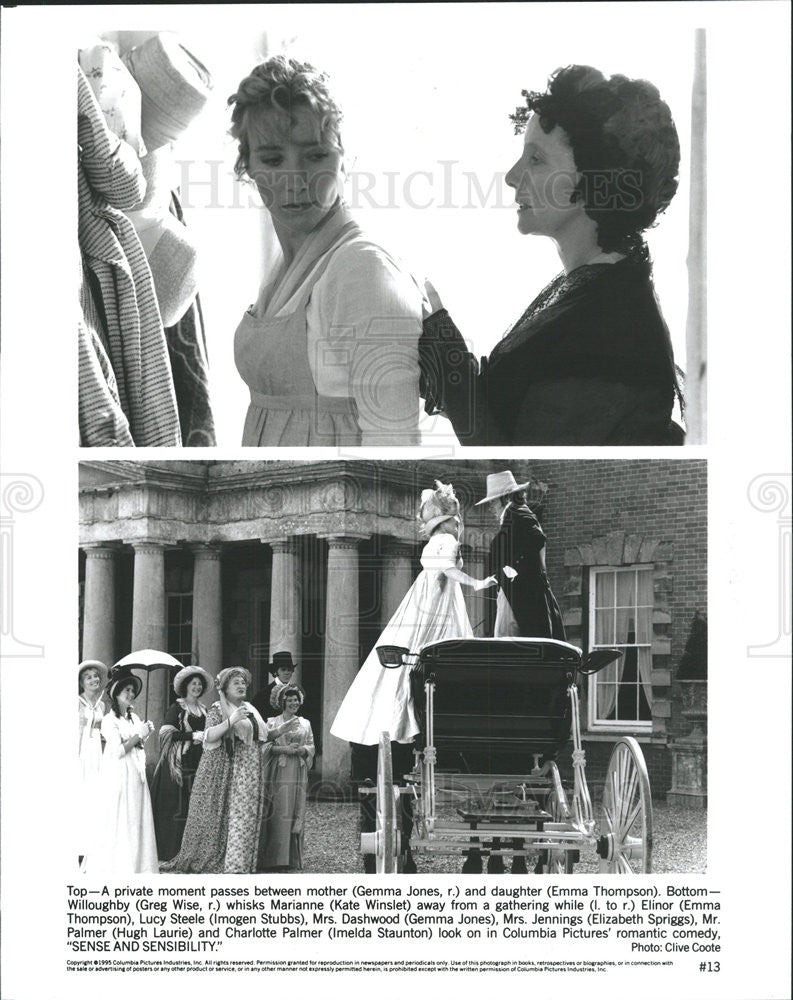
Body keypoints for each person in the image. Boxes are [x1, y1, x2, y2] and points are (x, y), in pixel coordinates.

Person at [420, 65, 684, 446]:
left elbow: (515, 467)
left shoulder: (614, 320)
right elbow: (510, 408)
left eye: (537, 159)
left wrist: (452, 370)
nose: (512, 176)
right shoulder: (589, 285)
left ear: (595, 178)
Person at [230, 55, 423, 446]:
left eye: (315, 155)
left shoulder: (362, 269)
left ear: (343, 159)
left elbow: (396, 441)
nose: (295, 179)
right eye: (272, 158)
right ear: (247, 166)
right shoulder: (283, 268)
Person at [331, 481, 496, 871]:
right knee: (427, 644)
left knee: (412, 649)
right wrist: (478, 583)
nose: (456, 529)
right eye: (454, 523)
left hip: (429, 603)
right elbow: (450, 572)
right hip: (435, 604)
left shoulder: (441, 541)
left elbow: (444, 572)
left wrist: (470, 582)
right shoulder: (448, 542)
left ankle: (410, 700)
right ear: (451, 521)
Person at [161, 667, 272, 874]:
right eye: (236, 683)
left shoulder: (246, 708)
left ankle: (242, 861)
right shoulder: (214, 708)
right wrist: (231, 720)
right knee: (204, 809)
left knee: (239, 812)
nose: (242, 686)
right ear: (225, 689)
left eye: (243, 683)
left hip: (242, 766)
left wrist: (278, 731)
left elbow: (260, 734)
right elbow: (209, 736)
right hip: (201, 760)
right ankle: (221, 859)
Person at [477, 471, 565, 640]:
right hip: (517, 594)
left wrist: (514, 568)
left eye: (493, 501)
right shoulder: (515, 514)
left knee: (508, 642)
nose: (491, 507)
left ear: (506, 498)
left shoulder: (517, 512)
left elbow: (537, 538)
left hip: (521, 595)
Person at [89, 666, 158, 875]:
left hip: (136, 773)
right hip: (120, 773)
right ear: (116, 693)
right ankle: (122, 866)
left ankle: (140, 865)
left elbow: (136, 745)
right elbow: (118, 751)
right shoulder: (110, 721)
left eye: (132, 690)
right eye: (126, 690)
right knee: (124, 816)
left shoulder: (134, 718)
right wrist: (139, 735)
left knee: (137, 815)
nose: (130, 694)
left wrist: (145, 733)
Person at [149, 665, 211, 862]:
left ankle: (191, 850)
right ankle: (170, 850)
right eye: (193, 683)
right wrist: (191, 734)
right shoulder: (177, 707)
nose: (197, 687)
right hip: (177, 764)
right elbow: (165, 733)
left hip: (198, 761)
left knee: (195, 805)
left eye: (199, 684)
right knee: (177, 807)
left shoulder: (204, 710)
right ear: (185, 686)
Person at [259, 685, 315, 871]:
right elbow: (263, 746)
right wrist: (283, 749)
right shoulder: (272, 722)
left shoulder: (305, 723)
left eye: (296, 699)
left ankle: (292, 859)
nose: (294, 703)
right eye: (290, 700)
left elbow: (311, 746)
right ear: (282, 702)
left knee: (295, 809)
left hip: (298, 771)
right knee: (278, 810)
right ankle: (274, 859)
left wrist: (303, 750)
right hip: (278, 771)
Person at [77, 660, 107, 870]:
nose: (94, 679)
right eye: (89, 677)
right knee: (81, 794)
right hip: (81, 750)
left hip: (97, 751)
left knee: (96, 795)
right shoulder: (76, 702)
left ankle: (94, 847)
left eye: (96, 676)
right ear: (81, 683)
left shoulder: (102, 704)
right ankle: (77, 848)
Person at [251, 650, 296, 718]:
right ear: (275, 672)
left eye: (289, 669)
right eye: (283, 669)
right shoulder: (263, 695)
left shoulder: (297, 693)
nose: (287, 672)